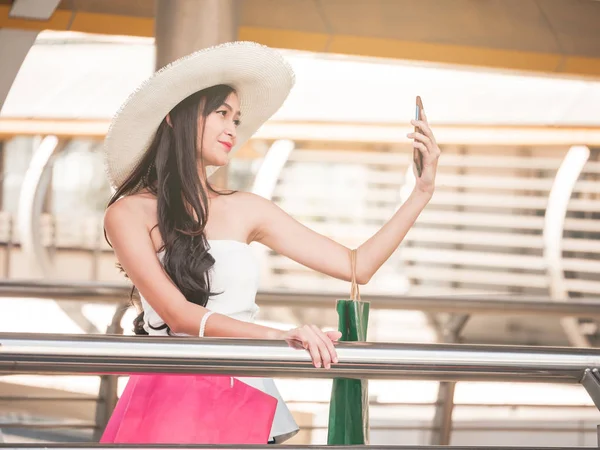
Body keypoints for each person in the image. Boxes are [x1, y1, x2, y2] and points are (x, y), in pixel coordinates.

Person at [102, 41, 440, 443]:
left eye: (237, 119)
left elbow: (357, 266)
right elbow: (178, 316)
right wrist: (278, 336)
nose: (232, 129)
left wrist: (421, 192)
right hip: (171, 398)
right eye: (221, 113)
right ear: (176, 117)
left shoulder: (248, 209)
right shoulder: (128, 213)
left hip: (242, 393)